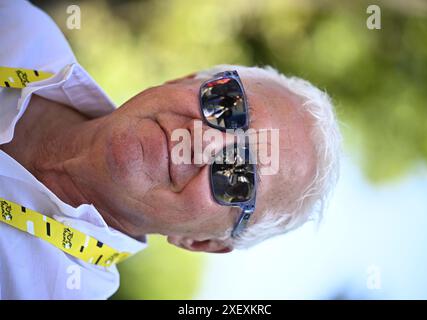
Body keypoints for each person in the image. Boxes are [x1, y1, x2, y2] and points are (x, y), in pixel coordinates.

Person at [0, 0, 341, 299]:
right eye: (228, 105)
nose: (203, 140)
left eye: (238, 175)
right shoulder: (19, 26)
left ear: (201, 243)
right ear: (185, 80)